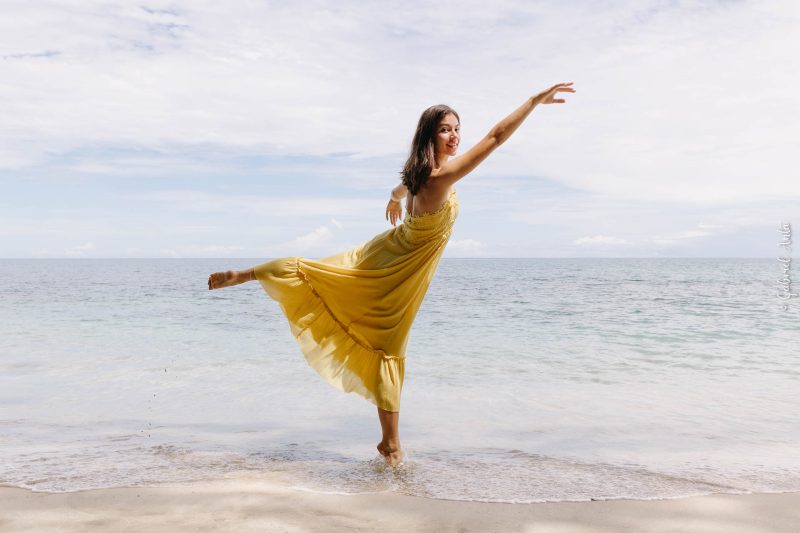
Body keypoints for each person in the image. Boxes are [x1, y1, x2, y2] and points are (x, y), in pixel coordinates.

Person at [208, 82, 576, 466]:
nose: (455, 136)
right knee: (385, 342)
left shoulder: (419, 175)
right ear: (429, 136)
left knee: (340, 291)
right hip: (399, 269)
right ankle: (392, 444)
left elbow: (400, 188)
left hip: (392, 251)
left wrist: (394, 197)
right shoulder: (439, 178)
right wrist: (533, 102)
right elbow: (496, 137)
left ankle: (390, 441)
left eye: (456, 128)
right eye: (445, 129)